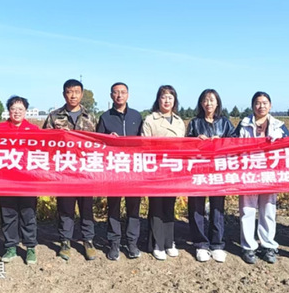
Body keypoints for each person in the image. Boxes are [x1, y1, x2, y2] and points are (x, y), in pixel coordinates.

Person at [43, 79, 98, 261]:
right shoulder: (54, 117)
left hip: (85, 172)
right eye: (69, 92)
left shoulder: (91, 117)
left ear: (82, 94)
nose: (73, 95)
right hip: (64, 172)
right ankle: (65, 241)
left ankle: (88, 241)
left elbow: (99, 144)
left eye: (76, 92)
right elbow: (45, 143)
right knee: (65, 208)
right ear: (64, 94)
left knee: (86, 208)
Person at [234, 91, 289, 264]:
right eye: (258, 103)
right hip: (249, 174)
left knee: (268, 210)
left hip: (269, 174)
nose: (261, 106)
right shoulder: (243, 125)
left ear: (270, 105)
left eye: (265, 103)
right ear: (252, 106)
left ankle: (268, 245)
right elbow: (232, 145)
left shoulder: (279, 126)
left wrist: (281, 139)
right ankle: (248, 247)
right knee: (247, 211)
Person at [186, 89, 235, 263]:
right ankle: (200, 244)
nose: (208, 103)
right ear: (201, 103)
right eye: (205, 100)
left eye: (212, 100)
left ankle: (217, 244)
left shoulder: (225, 123)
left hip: (218, 171)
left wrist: (221, 142)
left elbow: (235, 142)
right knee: (196, 207)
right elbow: (184, 146)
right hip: (199, 170)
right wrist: (195, 141)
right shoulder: (194, 123)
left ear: (217, 103)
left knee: (217, 207)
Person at [96, 82, 143, 261]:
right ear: (111, 96)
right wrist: (108, 140)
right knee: (113, 207)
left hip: (133, 170)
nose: (119, 95)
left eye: (123, 92)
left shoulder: (137, 116)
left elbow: (144, 142)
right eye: (116, 92)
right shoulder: (105, 117)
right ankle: (114, 244)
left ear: (128, 95)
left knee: (133, 208)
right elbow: (98, 144)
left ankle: (132, 243)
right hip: (113, 171)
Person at [141, 85, 186, 261]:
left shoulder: (179, 121)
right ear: (158, 99)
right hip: (156, 169)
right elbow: (144, 146)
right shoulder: (150, 120)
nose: (167, 100)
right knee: (156, 207)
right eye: (163, 97)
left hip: (173, 170)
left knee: (169, 206)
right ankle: (157, 243)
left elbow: (184, 146)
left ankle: (169, 241)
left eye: (170, 97)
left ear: (174, 100)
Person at [0, 96, 40, 265]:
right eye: (13, 109)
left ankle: (30, 248)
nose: (16, 112)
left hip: (28, 181)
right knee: (8, 214)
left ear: (25, 111)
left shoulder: (34, 130)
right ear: (8, 110)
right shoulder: (0, 129)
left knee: (28, 214)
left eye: (20, 109)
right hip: (6, 180)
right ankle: (10, 247)